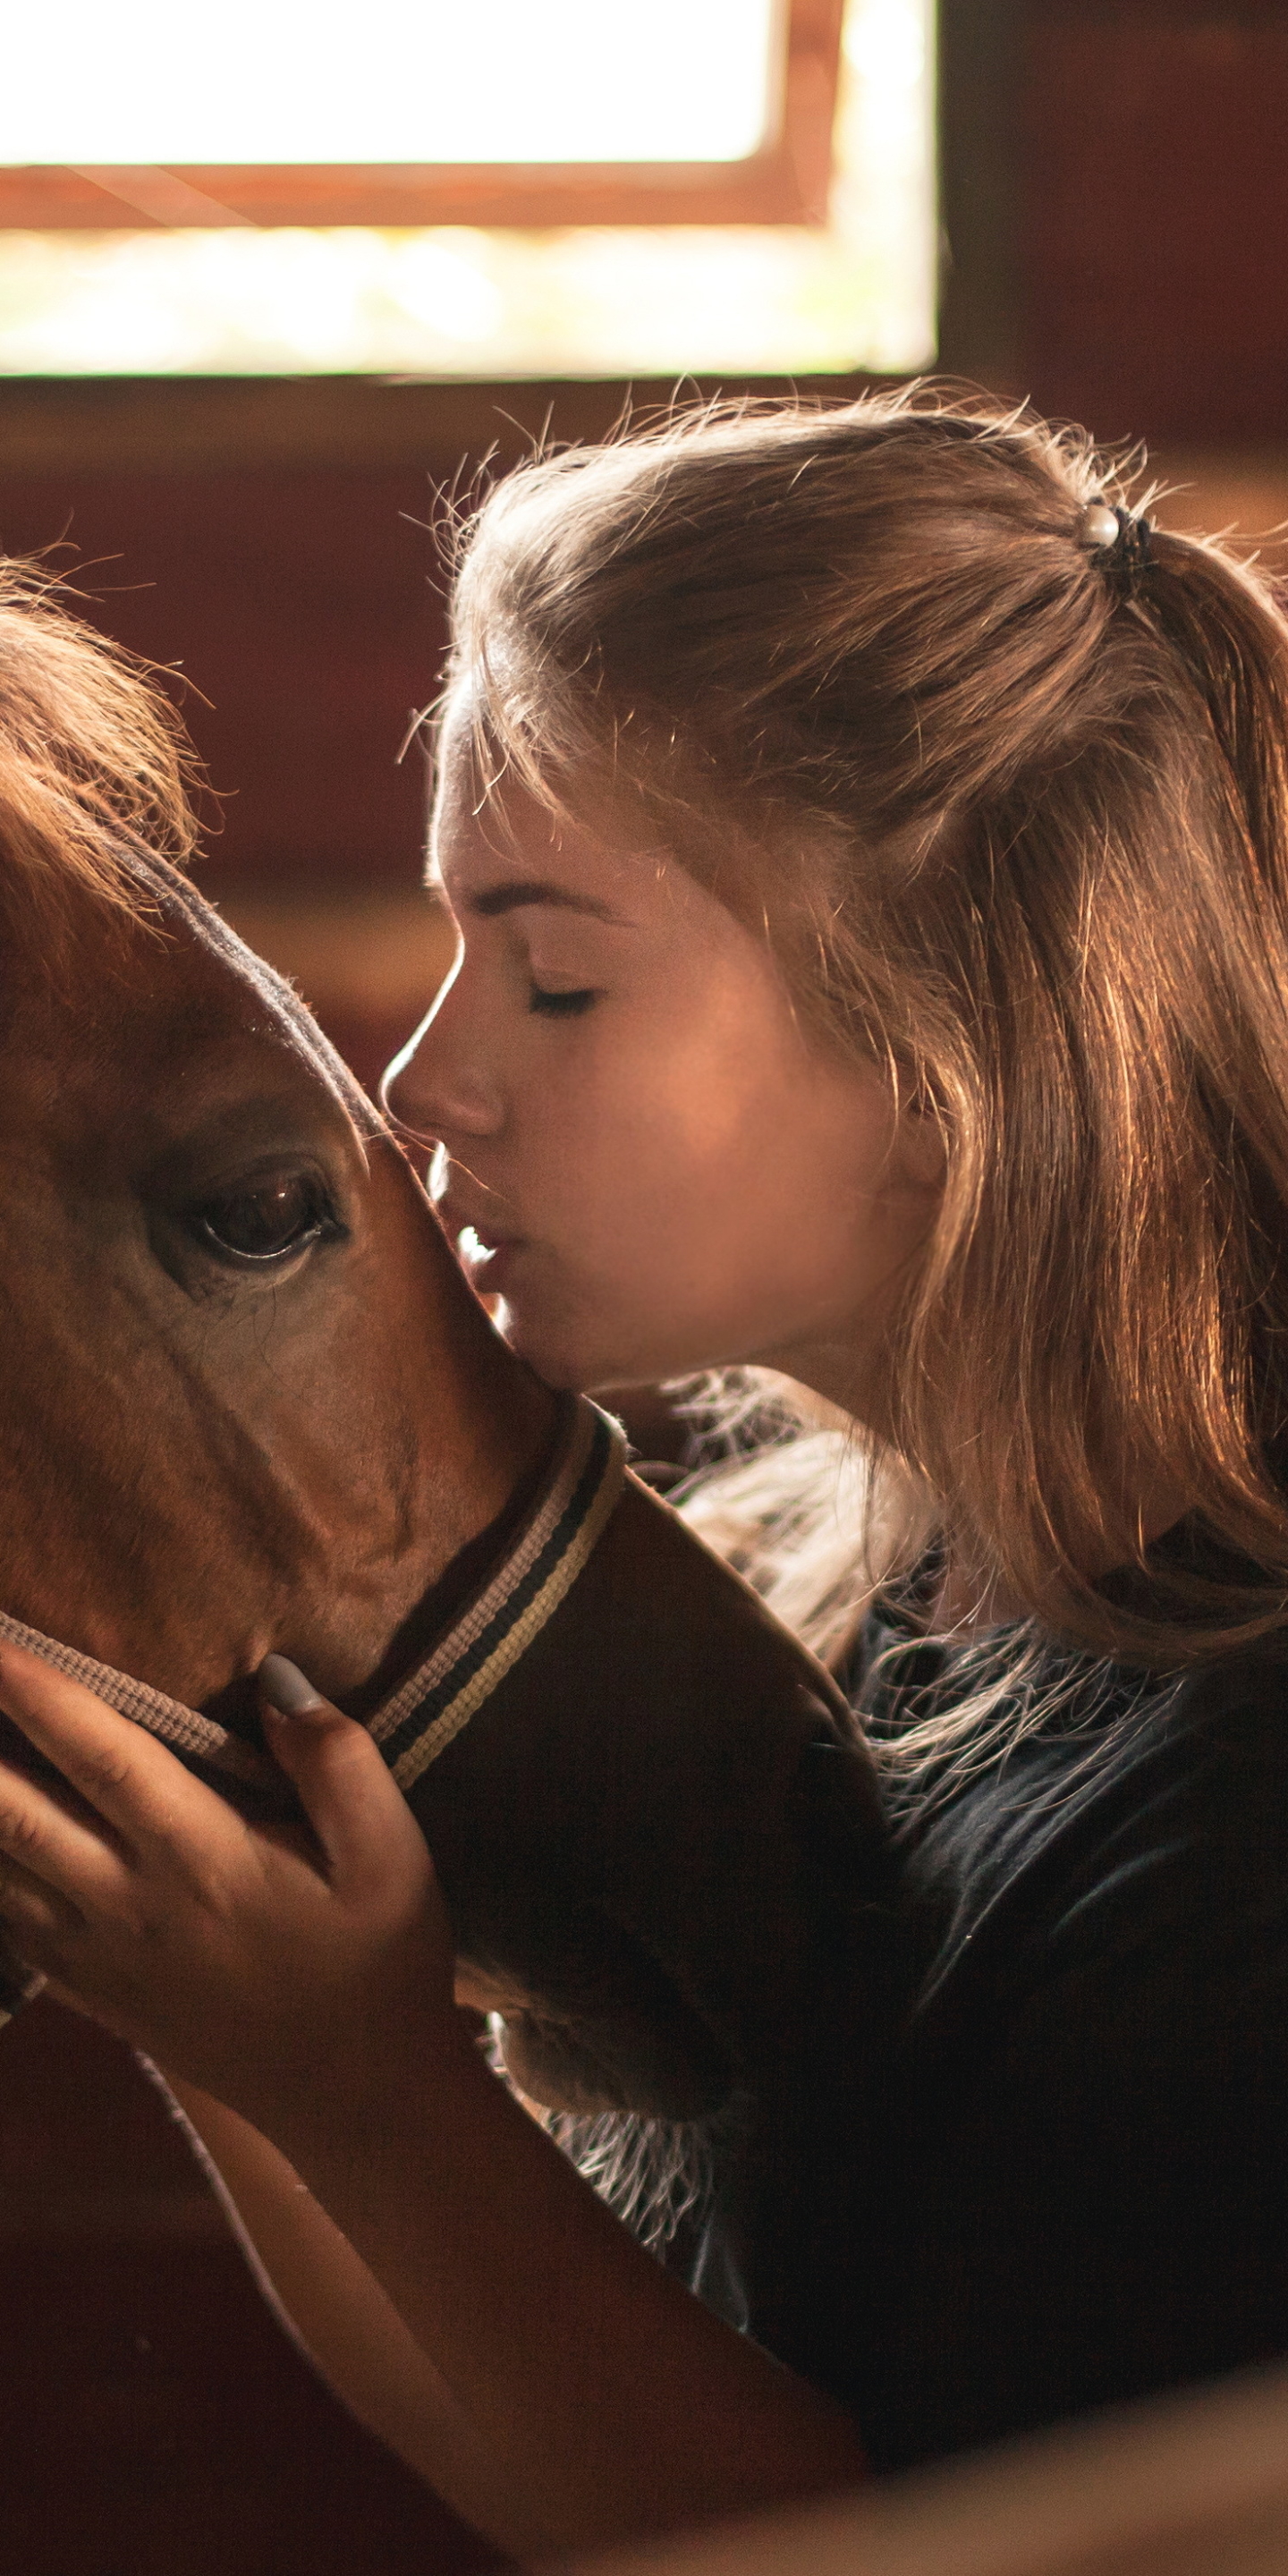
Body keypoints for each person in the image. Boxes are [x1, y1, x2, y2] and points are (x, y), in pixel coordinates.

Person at [1, 385, 1287, 2559]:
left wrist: (382, 2100)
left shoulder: (1237, 1830)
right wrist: (238, 2032)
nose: (428, 1079)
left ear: (949, 1034)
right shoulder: (886, 1597)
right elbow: (553, 2430)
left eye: (558, 977)